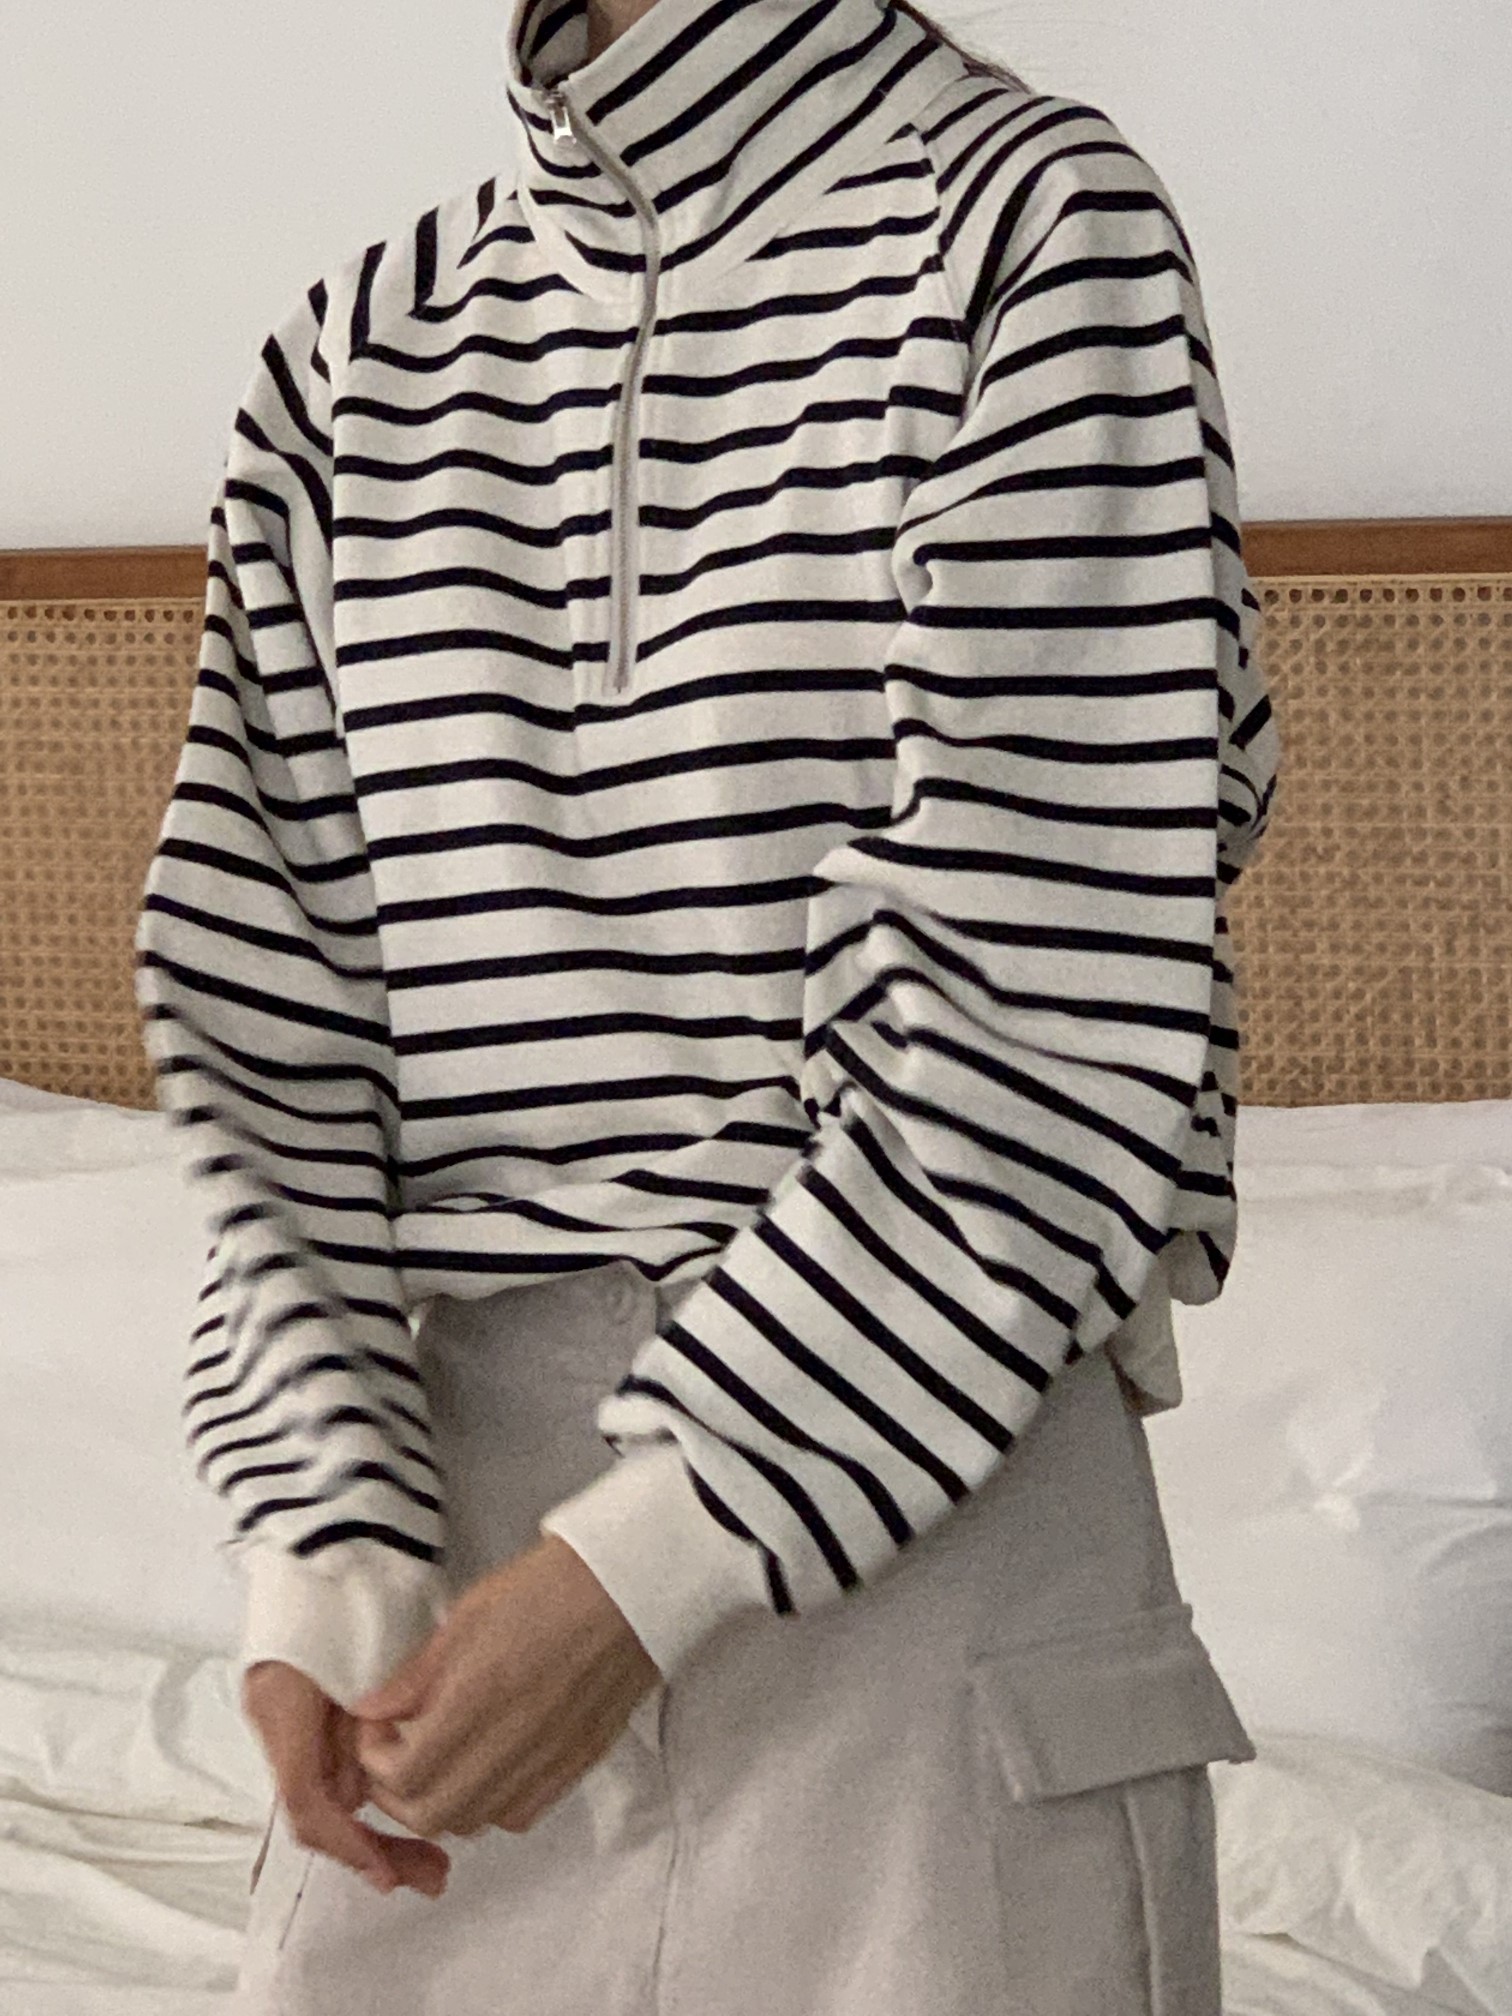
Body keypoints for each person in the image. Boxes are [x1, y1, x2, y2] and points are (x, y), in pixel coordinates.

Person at [134, 0, 1281, 2007]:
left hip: (932, 1590)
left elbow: (1040, 999)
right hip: (447, 1624)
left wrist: (648, 1559)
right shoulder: (354, 356)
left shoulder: (1025, 222)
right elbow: (274, 1017)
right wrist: (318, 1553)